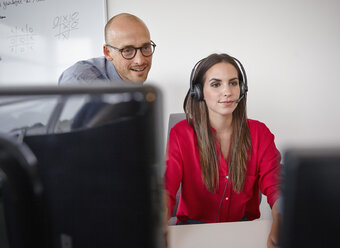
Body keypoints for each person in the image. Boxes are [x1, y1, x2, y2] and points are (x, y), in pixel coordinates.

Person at [164, 53, 282, 248]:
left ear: (242, 89)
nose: (227, 91)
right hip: (193, 230)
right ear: (198, 91)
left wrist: (281, 217)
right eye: (216, 84)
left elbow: (276, 187)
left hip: (242, 229)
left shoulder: (259, 132)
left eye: (233, 83)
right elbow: (165, 190)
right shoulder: (181, 134)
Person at [58, 13, 156, 85]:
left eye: (145, 47)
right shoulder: (79, 80)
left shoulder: (132, 77)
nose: (140, 61)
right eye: (127, 50)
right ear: (108, 52)